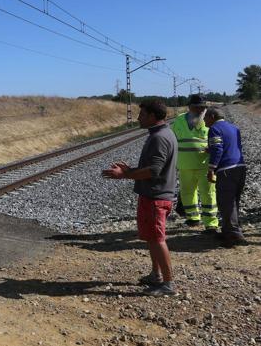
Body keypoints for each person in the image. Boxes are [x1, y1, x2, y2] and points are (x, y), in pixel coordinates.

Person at [102, 100, 177, 296]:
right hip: (153, 194)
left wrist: (124, 175)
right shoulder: (161, 134)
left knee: (158, 238)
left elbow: (153, 171)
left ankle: (168, 284)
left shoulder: (159, 138)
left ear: (153, 116)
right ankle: (156, 275)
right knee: (152, 237)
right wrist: (131, 170)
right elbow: (152, 168)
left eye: (142, 114)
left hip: (156, 197)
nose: (138, 118)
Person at [172, 94, 219, 232]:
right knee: (187, 192)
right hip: (184, 165)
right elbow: (173, 139)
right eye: (196, 107)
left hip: (205, 165)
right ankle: (193, 218)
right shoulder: (179, 120)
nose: (199, 110)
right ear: (189, 107)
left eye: (202, 107)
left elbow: (217, 140)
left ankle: (211, 223)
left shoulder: (210, 120)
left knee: (208, 193)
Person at [203, 107, 247, 247]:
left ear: (212, 116)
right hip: (240, 167)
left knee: (226, 202)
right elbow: (230, 146)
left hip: (226, 170)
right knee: (234, 201)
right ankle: (231, 229)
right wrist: (210, 149)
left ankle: (233, 236)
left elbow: (218, 149)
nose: (203, 120)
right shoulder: (234, 128)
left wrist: (211, 169)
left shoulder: (215, 128)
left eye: (205, 117)